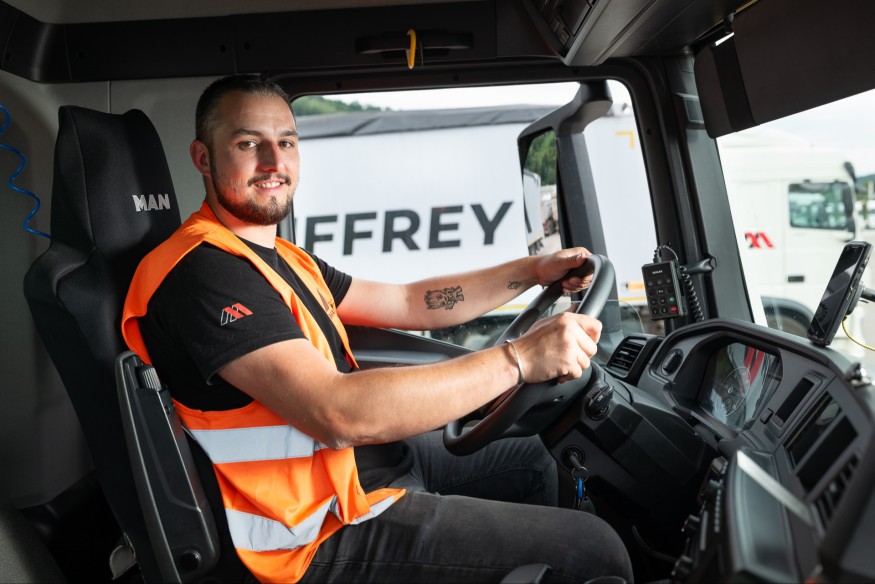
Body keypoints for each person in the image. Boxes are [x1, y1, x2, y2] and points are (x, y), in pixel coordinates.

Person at [121, 74, 633, 583]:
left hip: (357, 472)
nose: (275, 162)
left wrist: (532, 270)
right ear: (203, 157)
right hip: (312, 530)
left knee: (535, 457)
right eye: (248, 144)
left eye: (287, 142)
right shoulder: (202, 272)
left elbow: (410, 301)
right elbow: (336, 412)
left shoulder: (282, 257)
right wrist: (519, 359)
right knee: (595, 550)